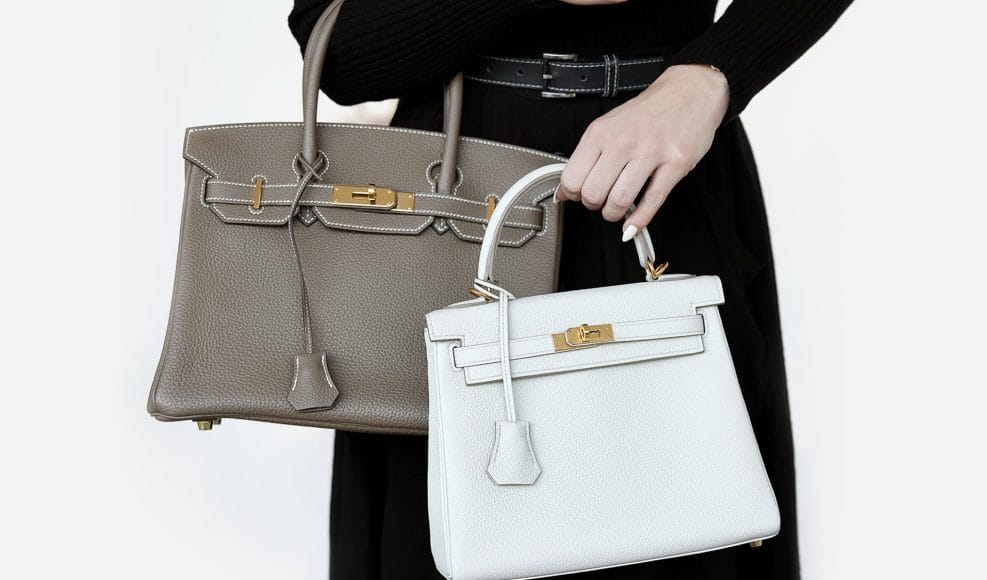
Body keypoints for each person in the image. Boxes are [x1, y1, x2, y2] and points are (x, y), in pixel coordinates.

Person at [288, 0, 852, 578]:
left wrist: (713, 78)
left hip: (666, 166)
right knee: (455, 531)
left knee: (695, 518)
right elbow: (343, 55)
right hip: (456, 197)